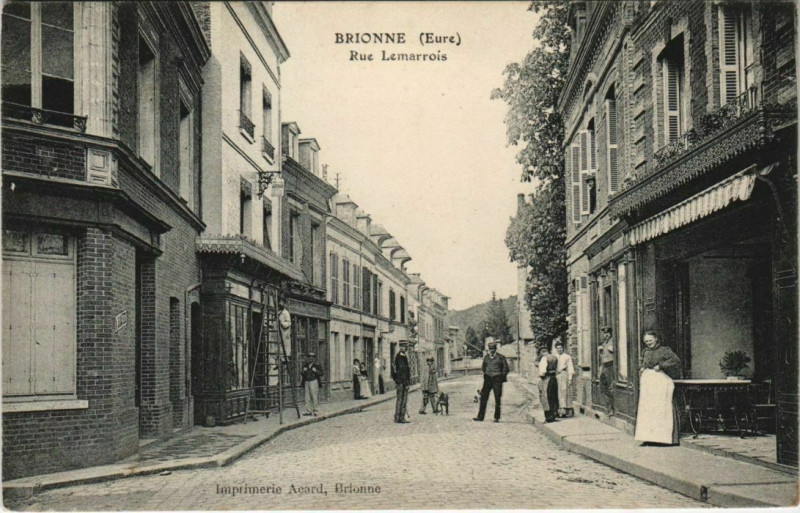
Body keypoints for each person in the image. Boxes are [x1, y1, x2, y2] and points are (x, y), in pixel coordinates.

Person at [635, 331, 682, 445]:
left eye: (650, 340)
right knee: (648, 410)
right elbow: (641, 361)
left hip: (660, 382)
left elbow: (676, 361)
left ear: (656, 339)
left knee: (660, 408)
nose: (648, 343)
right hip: (648, 382)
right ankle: (649, 438)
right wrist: (641, 367)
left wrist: (661, 366)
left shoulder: (664, 350)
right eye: (646, 341)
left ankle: (663, 438)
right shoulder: (645, 351)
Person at [473, 339, 510, 422]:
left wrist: (501, 377)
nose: (492, 351)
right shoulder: (486, 358)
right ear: (488, 350)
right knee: (483, 397)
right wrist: (487, 374)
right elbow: (483, 367)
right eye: (490, 349)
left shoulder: (501, 357)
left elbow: (506, 369)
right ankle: (480, 416)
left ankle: (497, 417)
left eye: (493, 349)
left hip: (497, 379)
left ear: (495, 349)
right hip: (488, 379)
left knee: (497, 398)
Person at [392, 342, 412, 423]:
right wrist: (406, 383)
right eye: (404, 346)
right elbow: (402, 371)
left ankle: (398, 417)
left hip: (401, 382)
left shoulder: (402, 356)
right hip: (402, 382)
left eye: (406, 346)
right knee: (402, 400)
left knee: (401, 400)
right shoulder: (400, 357)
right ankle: (400, 417)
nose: (405, 348)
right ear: (400, 347)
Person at [538, 346, 560, 422]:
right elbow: (558, 369)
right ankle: (555, 414)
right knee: (554, 397)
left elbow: (542, 371)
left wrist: (541, 375)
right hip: (554, 378)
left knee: (546, 398)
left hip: (547, 379)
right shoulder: (555, 357)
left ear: (542, 352)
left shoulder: (544, 358)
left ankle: (549, 417)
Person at [555, 341, 575, 418]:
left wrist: (570, 378)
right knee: (558, 393)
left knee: (565, 392)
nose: (559, 349)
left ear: (563, 348)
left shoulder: (567, 357)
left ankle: (567, 411)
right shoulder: (554, 356)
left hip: (564, 375)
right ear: (556, 349)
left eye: (560, 348)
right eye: (558, 348)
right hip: (557, 376)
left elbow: (570, 367)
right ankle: (559, 411)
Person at [599, 326, 615, 414]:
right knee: (602, 387)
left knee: (611, 386)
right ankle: (608, 406)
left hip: (610, 365)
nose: (606, 335)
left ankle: (612, 408)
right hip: (604, 365)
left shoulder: (613, 341)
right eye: (604, 333)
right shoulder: (604, 343)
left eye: (607, 333)